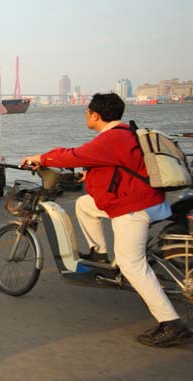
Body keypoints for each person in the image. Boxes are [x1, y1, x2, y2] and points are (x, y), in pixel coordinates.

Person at [22, 92, 192, 348]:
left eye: (87, 112)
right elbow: (120, 167)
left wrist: (41, 158)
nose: (86, 116)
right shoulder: (127, 133)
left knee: (131, 264)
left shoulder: (111, 138)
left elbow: (74, 155)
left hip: (134, 207)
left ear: (96, 115)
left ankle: (171, 323)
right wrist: (88, 175)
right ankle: (99, 253)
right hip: (151, 200)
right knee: (84, 204)